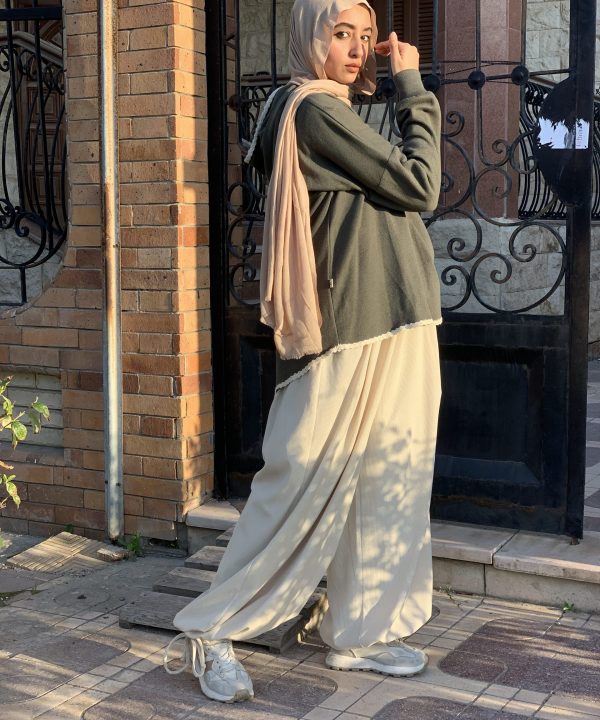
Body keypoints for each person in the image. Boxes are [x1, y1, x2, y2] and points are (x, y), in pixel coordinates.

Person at [164, 0, 442, 704]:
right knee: (297, 477)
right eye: (340, 33)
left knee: (384, 476)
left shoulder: (323, 110)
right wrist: (411, 85)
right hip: (353, 321)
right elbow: (420, 184)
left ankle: (359, 629)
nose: (357, 48)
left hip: (395, 313)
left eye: (364, 36)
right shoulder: (313, 110)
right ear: (308, 38)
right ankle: (211, 629)